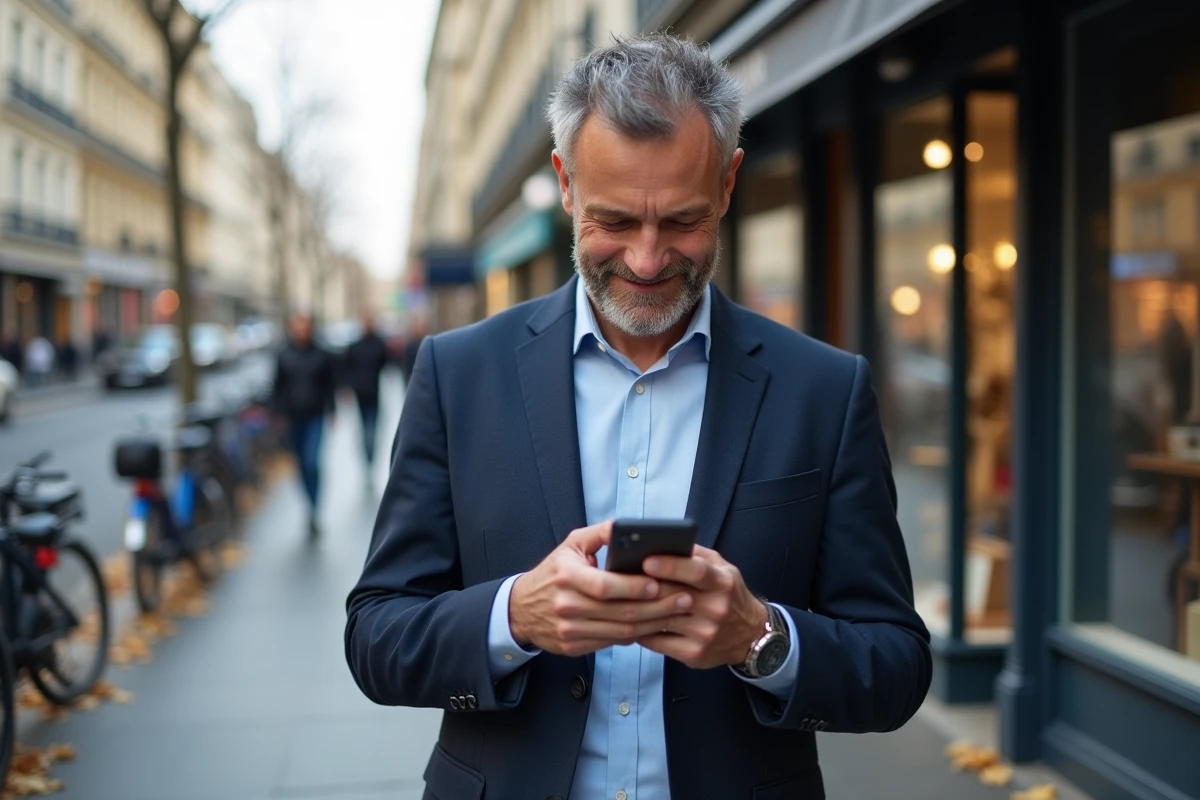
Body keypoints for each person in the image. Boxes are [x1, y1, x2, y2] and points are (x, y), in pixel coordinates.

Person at [346, 35, 930, 800]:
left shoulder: (824, 389)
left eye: (682, 220)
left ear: (727, 184)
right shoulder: (457, 375)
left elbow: (896, 664)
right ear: (565, 184)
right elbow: (377, 635)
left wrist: (759, 637)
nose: (648, 260)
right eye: (616, 221)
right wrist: (514, 617)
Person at [272, 313, 336, 538]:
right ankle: (309, 504)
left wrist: (332, 409)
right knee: (300, 465)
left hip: (315, 416)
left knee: (311, 462)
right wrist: (278, 415)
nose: (302, 331)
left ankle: (314, 508)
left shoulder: (321, 354)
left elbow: (329, 384)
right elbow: (277, 387)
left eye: (305, 326)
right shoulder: (283, 354)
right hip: (293, 419)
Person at [342, 313, 390, 477]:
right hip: (360, 395)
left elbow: (385, 364)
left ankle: (370, 459)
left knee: (372, 430)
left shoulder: (379, 344)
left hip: (374, 394)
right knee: (365, 430)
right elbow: (347, 368)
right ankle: (367, 459)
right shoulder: (355, 346)